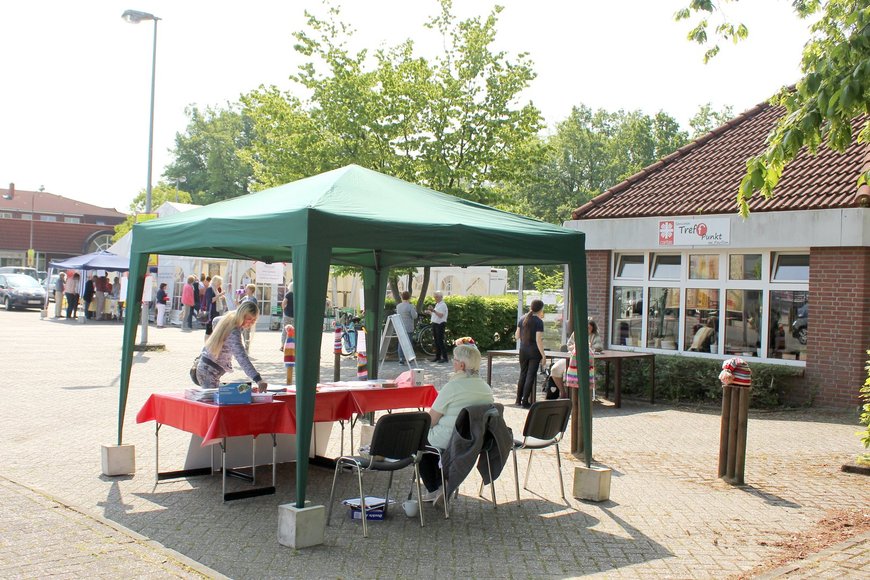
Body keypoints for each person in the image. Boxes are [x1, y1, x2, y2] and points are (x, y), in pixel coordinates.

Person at [419, 341, 494, 503]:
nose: (452, 362)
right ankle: (442, 484)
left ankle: (434, 488)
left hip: (451, 438)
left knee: (419, 441)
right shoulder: (486, 388)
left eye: (454, 359)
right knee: (430, 445)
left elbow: (431, 420)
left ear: (460, 365)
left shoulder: (452, 387)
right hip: (475, 439)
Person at [195, 301, 268, 392]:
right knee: (214, 402)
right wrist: (258, 379)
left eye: (254, 320)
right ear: (242, 315)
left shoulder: (227, 319)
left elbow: (215, 320)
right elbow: (241, 358)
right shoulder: (233, 332)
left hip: (206, 367)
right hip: (210, 371)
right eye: (249, 319)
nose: (251, 323)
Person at [515, 299, 546, 408]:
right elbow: (538, 340)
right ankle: (525, 401)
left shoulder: (522, 319)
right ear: (541, 309)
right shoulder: (539, 321)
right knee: (530, 376)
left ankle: (518, 400)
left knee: (522, 374)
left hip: (523, 350)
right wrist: (543, 355)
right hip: (534, 352)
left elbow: (517, 336)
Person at [426, 292, 449, 363]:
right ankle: (438, 356)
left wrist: (433, 310)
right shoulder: (438, 304)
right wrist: (430, 312)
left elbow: (441, 315)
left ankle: (445, 357)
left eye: (436, 297)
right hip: (435, 323)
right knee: (436, 341)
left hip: (440, 324)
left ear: (441, 297)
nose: (435, 298)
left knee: (440, 341)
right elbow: (435, 314)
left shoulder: (443, 305)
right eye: (435, 297)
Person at [396, 291, 418, 364]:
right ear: (409, 297)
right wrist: (415, 311)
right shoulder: (410, 306)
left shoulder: (398, 306)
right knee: (408, 344)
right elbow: (414, 316)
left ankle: (401, 359)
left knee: (401, 343)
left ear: (402, 297)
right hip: (408, 327)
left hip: (400, 326)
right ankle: (409, 359)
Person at [240, 283, 257, 351]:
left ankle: (247, 348)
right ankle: (242, 346)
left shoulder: (253, 299)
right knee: (241, 332)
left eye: (247, 288)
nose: (245, 289)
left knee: (246, 333)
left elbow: (255, 309)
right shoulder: (245, 297)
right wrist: (237, 296)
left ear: (251, 290)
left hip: (248, 318)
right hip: (241, 317)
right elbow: (238, 304)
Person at [280, 283, 294, 351]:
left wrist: (284, 309)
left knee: (285, 330)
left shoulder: (288, 294)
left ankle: (282, 345)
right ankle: (291, 346)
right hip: (295, 316)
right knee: (293, 331)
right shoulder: (298, 294)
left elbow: (283, 303)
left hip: (287, 315)